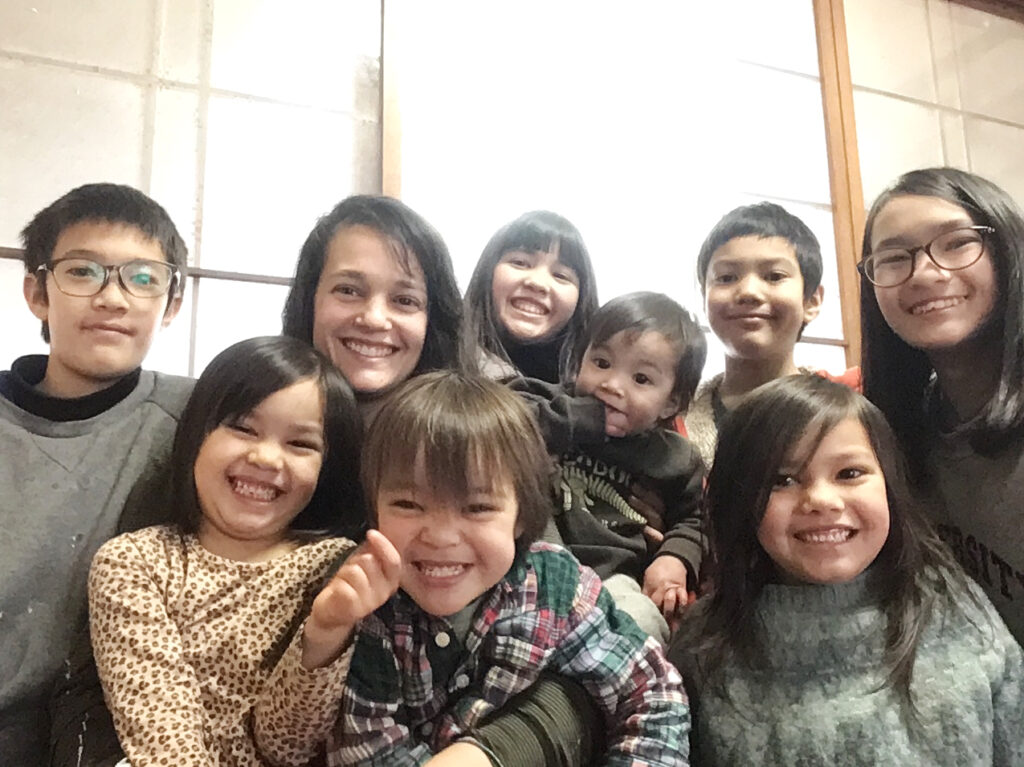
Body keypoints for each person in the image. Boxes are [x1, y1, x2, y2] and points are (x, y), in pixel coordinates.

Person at [255, 371, 690, 767]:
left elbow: (651, 695)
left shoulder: (555, 586)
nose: (442, 537)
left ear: (521, 517)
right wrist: (326, 634)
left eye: (478, 508)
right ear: (374, 511)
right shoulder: (365, 604)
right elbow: (364, 752)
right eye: (408, 504)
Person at [670, 375, 1024, 765]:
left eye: (849, 473)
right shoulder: (705, 648)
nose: (822, 500)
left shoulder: (956, 607)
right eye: (783, 480)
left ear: (889, 484)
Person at [87, 336, 364, 765]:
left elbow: (287, 747)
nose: (266, 457)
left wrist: (325, 635)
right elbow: (163, 742)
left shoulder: (336, 567)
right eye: (244, 428)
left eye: (301, 444)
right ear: (197, 433)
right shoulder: (136, 562)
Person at [0, 182, 192, 765]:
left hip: (99, 741)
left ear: (171, 304)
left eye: (143, 278)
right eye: (83, 272)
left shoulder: (199, 419)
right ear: (37, 292)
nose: (113, 298)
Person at [860, 167, 1024, 645]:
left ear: (1008, 251)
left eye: (956, 243)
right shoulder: (898, 435)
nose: (926, 273)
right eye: (894, 257)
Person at [510, 292, 706, 642]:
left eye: (641, 379)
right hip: (525, 568)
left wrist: (675, 558)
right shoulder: (550, 405)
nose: (612, 385)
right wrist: (582, 418)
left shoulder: (674, 457)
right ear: (579, 361)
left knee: (640, 622)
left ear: (671, 403)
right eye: (601, 362)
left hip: (612, 580)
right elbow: (499, 422)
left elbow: (698, 520)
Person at [685, 202, 850, 467]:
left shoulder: (851, 409)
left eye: (774, 276)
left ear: (812, 300)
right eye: (726, 278)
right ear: (703, 297)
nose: (748, 292)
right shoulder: (666, 419)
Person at [282, 194, 462, 424]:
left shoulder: (472, 441)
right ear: (309, 299)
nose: (374, 319)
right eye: (348, 290)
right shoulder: (251, 422)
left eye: (405, 300)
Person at [462, 210, 599, 383]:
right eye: (520, 263)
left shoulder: (597, 391)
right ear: (488, 272)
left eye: (560, 275)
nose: (538, 283)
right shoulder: (437, 359)